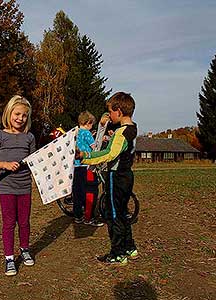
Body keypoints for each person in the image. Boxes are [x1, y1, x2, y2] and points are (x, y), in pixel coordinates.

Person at [77, 92, 138, 266]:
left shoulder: (121, 133)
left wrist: (85, 156)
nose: (109, 116)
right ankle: (129, 247)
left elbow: (109, 154)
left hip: (116, 177)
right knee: (122, 213)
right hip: (127, 176)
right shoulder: (133, 128)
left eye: (110, 112)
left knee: (113, 215)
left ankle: (117, 253)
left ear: (118, 111)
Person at [0, 95, 36, 276]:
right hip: (6, 187)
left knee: (24, 222)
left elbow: (33, 161)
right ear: (9, 113)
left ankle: (24, 249)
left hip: (25, 186)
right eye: (17, 114)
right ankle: (9, 258)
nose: (20, 118)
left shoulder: (29, 137)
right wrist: (5, 165)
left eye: (24, 115)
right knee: (9, 222)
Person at [73, 111, 103, 227]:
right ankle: (88, 217)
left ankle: (78, 216)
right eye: (92, 124)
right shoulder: (87, 133)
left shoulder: (76, 132)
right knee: (90, 191)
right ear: (88, 123)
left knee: (78, 192)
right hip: (87, 165)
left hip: (76, 166)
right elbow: (94, 147)